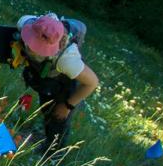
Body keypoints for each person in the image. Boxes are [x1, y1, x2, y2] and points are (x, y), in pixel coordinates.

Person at [14, 13, 100, 155]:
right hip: (46, 70)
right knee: (44, 93)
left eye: (36, 47)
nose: (30, 47)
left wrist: (67, 105)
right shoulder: (26, 23)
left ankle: (53, 153)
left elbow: (92, 83)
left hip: (61, 75)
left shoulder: (67, 59)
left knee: (57, 115)